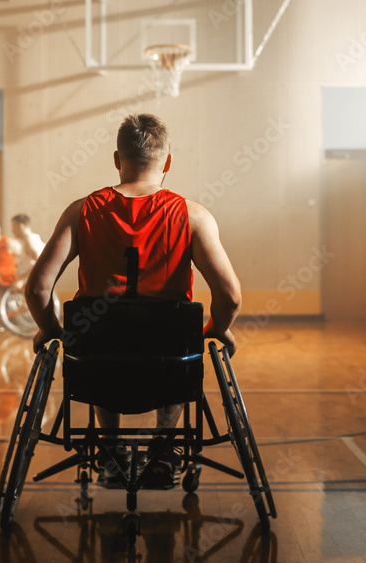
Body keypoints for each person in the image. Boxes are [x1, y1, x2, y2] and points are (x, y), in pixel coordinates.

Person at [24, 114, 242, 486]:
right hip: (168, 369)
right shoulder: (194, 216)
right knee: (179, 339)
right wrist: (213, 330)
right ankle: (163, 449)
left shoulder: (82, 211)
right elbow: (231, 297)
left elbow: (36, 289)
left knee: (102, 333)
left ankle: (109, 448)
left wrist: (52, 330)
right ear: (167, 162)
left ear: (116, 159)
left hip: (97, 370)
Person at [10, 213, 45, 286]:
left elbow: (40, 262)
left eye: (13, 227)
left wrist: (22, 280)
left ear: (20, 226)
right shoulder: (36, 238)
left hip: (29, 282)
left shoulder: (29, 241)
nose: (12, 231)